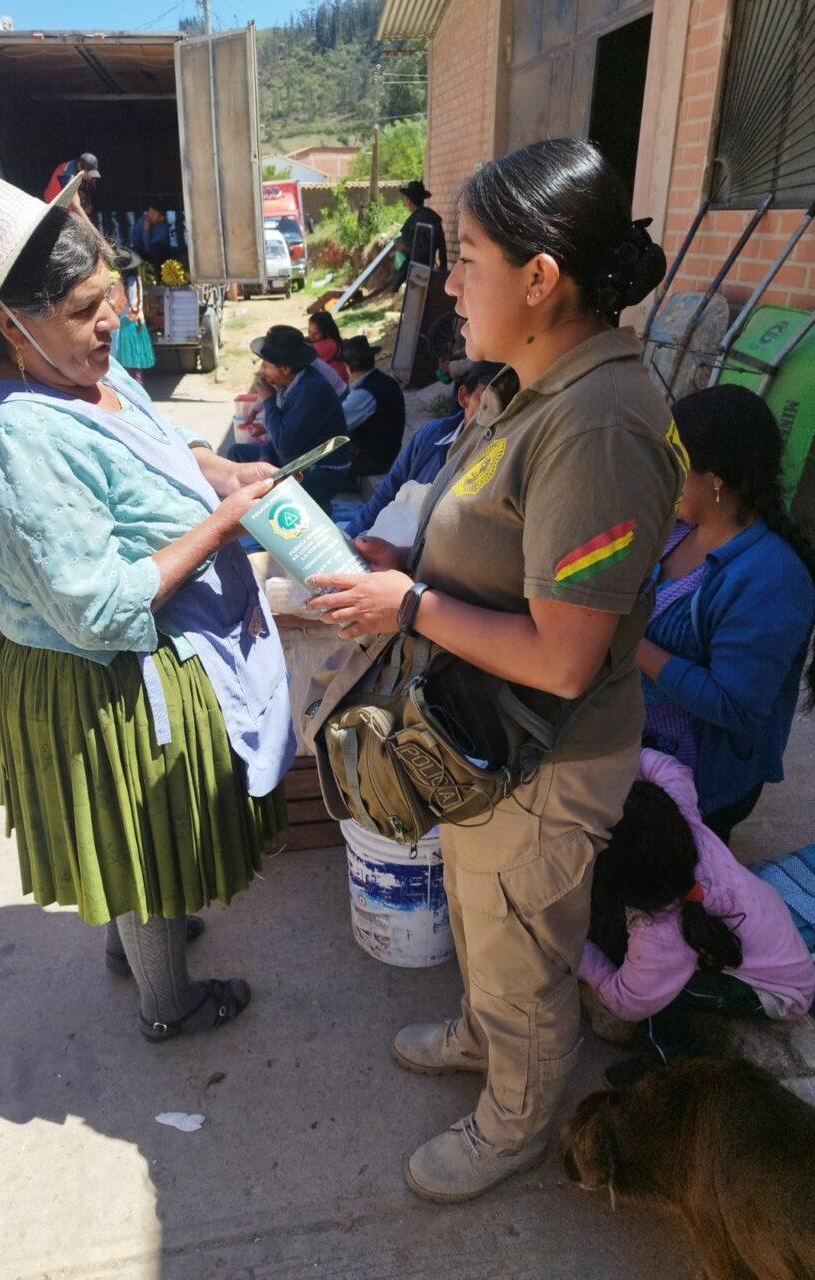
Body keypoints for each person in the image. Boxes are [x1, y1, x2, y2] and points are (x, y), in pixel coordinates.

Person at [307, 138, 683, 1203]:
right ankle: (483, 1032)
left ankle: (518, 1118)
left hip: (548, 750)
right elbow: (510, 553)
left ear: (540, 276)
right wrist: (406, 561)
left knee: (524, 942)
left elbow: (565, 658)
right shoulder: (534, 385)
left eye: (466, 256)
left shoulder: (599, 421)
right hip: (488, 734)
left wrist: (412, 605)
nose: (449, 279)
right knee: (481, 910)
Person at [0, 173, 294, 1042]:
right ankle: (169, 1003)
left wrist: (223, 471)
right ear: (11, 326)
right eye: (88, 308)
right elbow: (97, 605)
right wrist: (224, 523)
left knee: (145, 842)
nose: (112, 323)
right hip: (104, 671)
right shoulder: (14, 438)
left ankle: (139, 943)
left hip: (148, 649)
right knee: (143, 838)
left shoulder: (82, 368)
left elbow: (157, 440)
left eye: (112, 298)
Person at [638, 384, 815, 843]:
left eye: (675, 463)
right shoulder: (679, 527)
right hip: (639, 751)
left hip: (696, 785)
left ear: (715, 478)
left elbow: (734, 704)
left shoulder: (771, 576)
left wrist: (633, 645)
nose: (663, 475)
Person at [582, 749, 815, 1088]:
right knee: (656, 968)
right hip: (776, 946)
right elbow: (668, 767)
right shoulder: (686, 821)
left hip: (776, 993)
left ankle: (672, 1066)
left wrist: (578, 953)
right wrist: (617, 760)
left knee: (660, 998)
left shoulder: (660, 934)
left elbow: (627, 1000)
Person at [341, 360, 508, 539]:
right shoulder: (432, 434)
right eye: (485, 399)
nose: (497, 410)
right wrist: (351, 535)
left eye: (507, 401)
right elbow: (390, 489)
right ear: (463, 397)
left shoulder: (505, 456)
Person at [227, 325, 349, 511]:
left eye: (267, 365)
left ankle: (312, 505)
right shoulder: (290, 384)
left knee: (265, 489)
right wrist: (265, 455)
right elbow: (279, 436)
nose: (263, 370)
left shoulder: (311, 391)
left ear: (284, 368)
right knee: (237, 453)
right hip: (296, 458)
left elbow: (285, 445)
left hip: (321, 471)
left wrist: (268, 400)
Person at [340, 335, 406, 478]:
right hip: (385, 453)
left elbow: (337, 425)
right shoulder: (384, 380)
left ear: (349, 368)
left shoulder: (365, 393)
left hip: (373, 460)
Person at [392, 179, 447, 289]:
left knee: (396, 285)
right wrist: (443, 271)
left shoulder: (412, 222)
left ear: (409, 201)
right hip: (431, 272)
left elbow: (411, 249)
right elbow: (442, 248)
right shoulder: (434, 218)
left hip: (416, 273)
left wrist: (402, 247)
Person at [112, 249, 156, 384]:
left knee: (122, 359)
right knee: (134, 359)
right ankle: (137, 384)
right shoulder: (136, 279)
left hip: (125, 323)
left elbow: (121, 304)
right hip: (136, 322)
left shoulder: (122, 282)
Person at [43, 152, 100, 217]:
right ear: (79, 167)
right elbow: (76, 207)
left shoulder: (84, 167)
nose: (91, 177)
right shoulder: (67, 175)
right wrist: (91, 227)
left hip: (70, 199)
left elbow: (89, 190)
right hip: (53, 205)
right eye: (90, 173)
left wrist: (87, 204)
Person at [308, 311, 349, 384]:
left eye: (315, 334)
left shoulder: (324, 346)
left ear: (326, 332)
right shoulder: (333, 341)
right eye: (309, 331)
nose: (311, 336)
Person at [132, 200, 171, 274]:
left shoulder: (163, 229)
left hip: (156, 255)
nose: (149, 215)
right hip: (143, 251)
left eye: (153, 213)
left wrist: (146, 231)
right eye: (149, 212)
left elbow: (149, 248)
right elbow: (135, 237)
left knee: (157, 249)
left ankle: (157, 277)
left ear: (161, 218)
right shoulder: (143, 219)